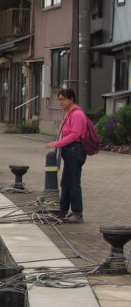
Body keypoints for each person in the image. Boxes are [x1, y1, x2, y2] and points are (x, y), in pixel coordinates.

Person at [44, 88, 88, 223]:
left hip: (75, 150)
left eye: (63, 99)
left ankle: (77, 212)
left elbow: (75, 134)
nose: (60, 102)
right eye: (59, 99)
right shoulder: (69, 113)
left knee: (73, 182)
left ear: (71, 99)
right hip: (69, 151)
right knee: (66, 182)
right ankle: (63, 210)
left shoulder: (77, 114)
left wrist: (57, 143)